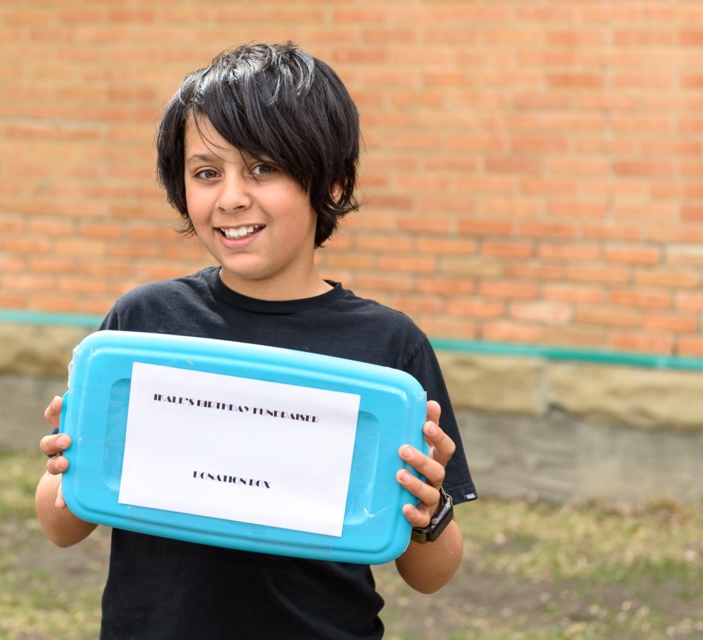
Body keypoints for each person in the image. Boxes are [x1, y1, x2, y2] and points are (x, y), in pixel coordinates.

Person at [36, 42, 477, 639]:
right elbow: (62, 526)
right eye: (207, 172)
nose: (232, 197)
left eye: (264, 168)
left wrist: (429, 514)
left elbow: (429, 575)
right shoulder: (143, 323)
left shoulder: (386, 346)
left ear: (331, 181)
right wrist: (68, 464)